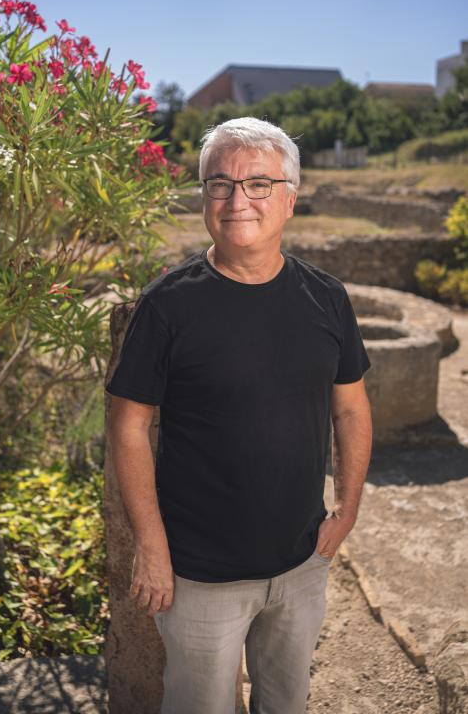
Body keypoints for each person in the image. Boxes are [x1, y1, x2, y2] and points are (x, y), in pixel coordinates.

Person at [105, 116, 373, 714]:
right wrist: (152, 546)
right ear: (204, 198)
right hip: (200, 576)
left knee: (287, 701)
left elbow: (351, 408)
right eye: (219, 184)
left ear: (289, 199)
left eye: (257, 183)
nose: (236, 200)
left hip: (303, 562)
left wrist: (348, 509)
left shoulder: (326, 297)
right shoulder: (167, 307)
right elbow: (128, 428)